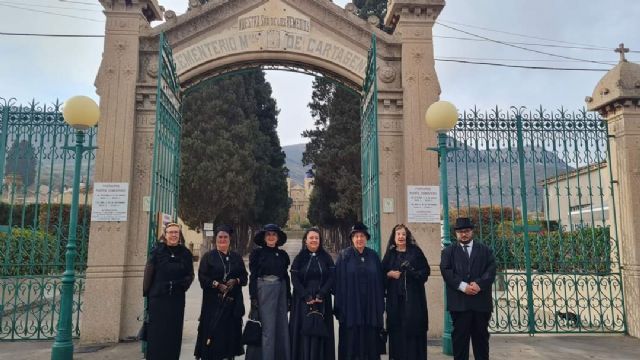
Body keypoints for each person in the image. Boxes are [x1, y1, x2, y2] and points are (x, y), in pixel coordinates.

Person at [440, 217, 496, 360]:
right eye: (460, 232)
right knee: (460, 343)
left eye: (466, 231)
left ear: (472, 231)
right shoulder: (448, 252)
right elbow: (446, 271)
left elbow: (491, 270)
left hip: (481, 304)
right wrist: (463, 286)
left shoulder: (485, 250)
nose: (463, 234)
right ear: (456, 234)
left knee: (481, 342)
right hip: (459, 305)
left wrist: (479, 284)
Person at [194, 224, 248, 360]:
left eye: (225, 237)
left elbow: (244, 277)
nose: (223, 240)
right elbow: (202, 278)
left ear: (229, 239)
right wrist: (217, 284)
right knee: (214, 337)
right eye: (220, 237)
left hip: (232, 305)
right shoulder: (208, 257)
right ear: (215, 239)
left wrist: (235, 281)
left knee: (229, 336)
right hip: (213, 304)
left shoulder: (236, 257)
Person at [143, 222, 195, 360]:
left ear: (179, 235)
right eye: (170, 232)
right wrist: (147, 293)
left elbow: (190, 274)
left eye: (176, 232)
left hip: (176, 299)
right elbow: (149, 273)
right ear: (165, 235)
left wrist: (183, 285)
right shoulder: (157, 251)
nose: (173, 235)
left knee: (173, 333)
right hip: (158, 298)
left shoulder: (185, 253)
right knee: (157, 334)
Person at [334, 223, 385, 360]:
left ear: (366, 238)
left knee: (370, 341)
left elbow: (381, 282)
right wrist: (340, 309)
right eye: (356, 236)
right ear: (352, 238)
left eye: (362, 236)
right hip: (351, 309)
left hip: (370, 307)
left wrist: (379, 307)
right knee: (352, 343)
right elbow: (337, 284)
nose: (359, 239)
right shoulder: (344, 257)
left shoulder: (373, 256)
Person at [382, 224, 430, 360]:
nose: (401, 237)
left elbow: (426, 271)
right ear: (394, 237)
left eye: (403, 234)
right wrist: (389, 274)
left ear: (407, 236)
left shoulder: (415, 252)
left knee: (414, 333)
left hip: (414, 302)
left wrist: (412, 272)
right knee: (397, 333)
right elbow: (381, 273)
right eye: (398, 234)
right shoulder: (390, 254)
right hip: (395, 303)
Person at [246, 224, 291, 360]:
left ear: (277, 238)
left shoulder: (282, 255)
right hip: (264, 290)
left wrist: (289, 296)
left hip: (280, 290)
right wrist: (253, 296)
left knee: (281, 326)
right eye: (268, 235)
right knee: (267, 328)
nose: (271, 237)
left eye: (274, 235)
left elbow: (285, 276)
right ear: (264, 238)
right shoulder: (257, 254)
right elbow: (253, 276)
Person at [289, 227, 336, 360]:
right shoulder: (299, 258)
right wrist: (305, 295)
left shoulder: (326, 257)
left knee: (320, 332)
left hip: (322, 300)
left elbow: (332, 276)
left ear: (320, 241)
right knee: (304, 332)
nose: (314, 240)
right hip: (302, 301)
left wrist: (322, 293)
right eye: (311, 238)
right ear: (305, 240)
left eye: (316, 238)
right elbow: (294, 278)